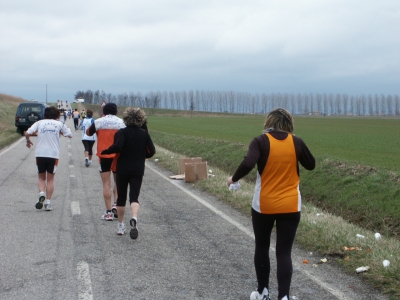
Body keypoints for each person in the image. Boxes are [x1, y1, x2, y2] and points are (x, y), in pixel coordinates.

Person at [227, 108, 315, 300]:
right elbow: (311, 164)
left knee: (262, 246)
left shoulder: (260, 141)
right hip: (291, 205)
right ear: (289, 123)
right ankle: (284, 296)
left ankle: (263, 292)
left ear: (269, 122)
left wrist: (233, 179)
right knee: (284, 252)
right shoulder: (296, 142)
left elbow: (249, 163)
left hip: (264, 205)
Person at [101, 107, 155, 238]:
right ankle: (134, 218)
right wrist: (143, 156)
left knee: (121, 198)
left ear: (125, 119)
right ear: (141, 119)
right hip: (138, 168)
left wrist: (106, 151)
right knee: (134, 197)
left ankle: (120, 225)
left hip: (122, 168)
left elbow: (118, 147)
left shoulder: (121, 133)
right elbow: (152, 151)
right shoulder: (144, 134)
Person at [25, 106, 72, 211]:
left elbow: (27, 133)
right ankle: (48, 203)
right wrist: (60, 132)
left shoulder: (39, 123)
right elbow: (69, 134)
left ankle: (41, 193)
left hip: (40, 154)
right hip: (53, 155)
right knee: (50, 179)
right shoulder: (59, 124)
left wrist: (28, 141)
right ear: (57, 115)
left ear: (45, 115)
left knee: (41, 177)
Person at [86, 103, 125, 221]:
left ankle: (108, 212)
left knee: (106, 184)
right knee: (118, 182)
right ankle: (116, 204)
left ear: (104, 111)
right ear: (116, 111)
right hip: (118, 155)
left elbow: (88, 133)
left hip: (104, 155)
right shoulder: (121, 122)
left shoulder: (99, 122)